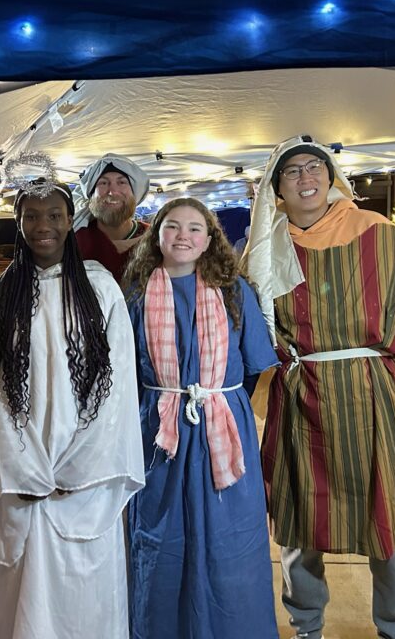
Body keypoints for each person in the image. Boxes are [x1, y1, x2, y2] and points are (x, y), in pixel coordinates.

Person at [243, 136, 395, 639]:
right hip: (301, 396)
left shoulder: (379, 234)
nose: (306, 178)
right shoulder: (265, 252)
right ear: (277, 189)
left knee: (390, 524)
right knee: (298, 526)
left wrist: (383, 368)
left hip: (372, 395)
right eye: (292, 172)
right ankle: (306, 627)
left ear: (331, 176)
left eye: (315, 167)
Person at [0, 175, 144, 639]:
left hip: (84, 479)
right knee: (26, 600)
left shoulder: (100, 289)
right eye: (31, 216)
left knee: (86, 597)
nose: (42, 225)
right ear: (18, 222)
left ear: (71, 221)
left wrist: (81, 467)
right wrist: (22, 466)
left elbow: (117, 391)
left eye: (53, 215)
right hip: (23, 476)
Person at [122, 198, 280, 638]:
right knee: (161, 537)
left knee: (227, 539)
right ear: (157, 236)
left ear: (210, 239)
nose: (183, 237)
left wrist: (217, 404)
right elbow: (127, 371)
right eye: (172, 227)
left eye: (195, 228)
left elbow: (252, 367)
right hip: (159, 432)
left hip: (222, 426)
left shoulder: (234, 291)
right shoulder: (136, 293)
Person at [73, 153, 151, 283]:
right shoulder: (75, 239)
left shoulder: (155, 239)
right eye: (103, 183)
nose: (112, 191)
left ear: (135, 193)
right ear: (91, 194)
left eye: (121, 182)